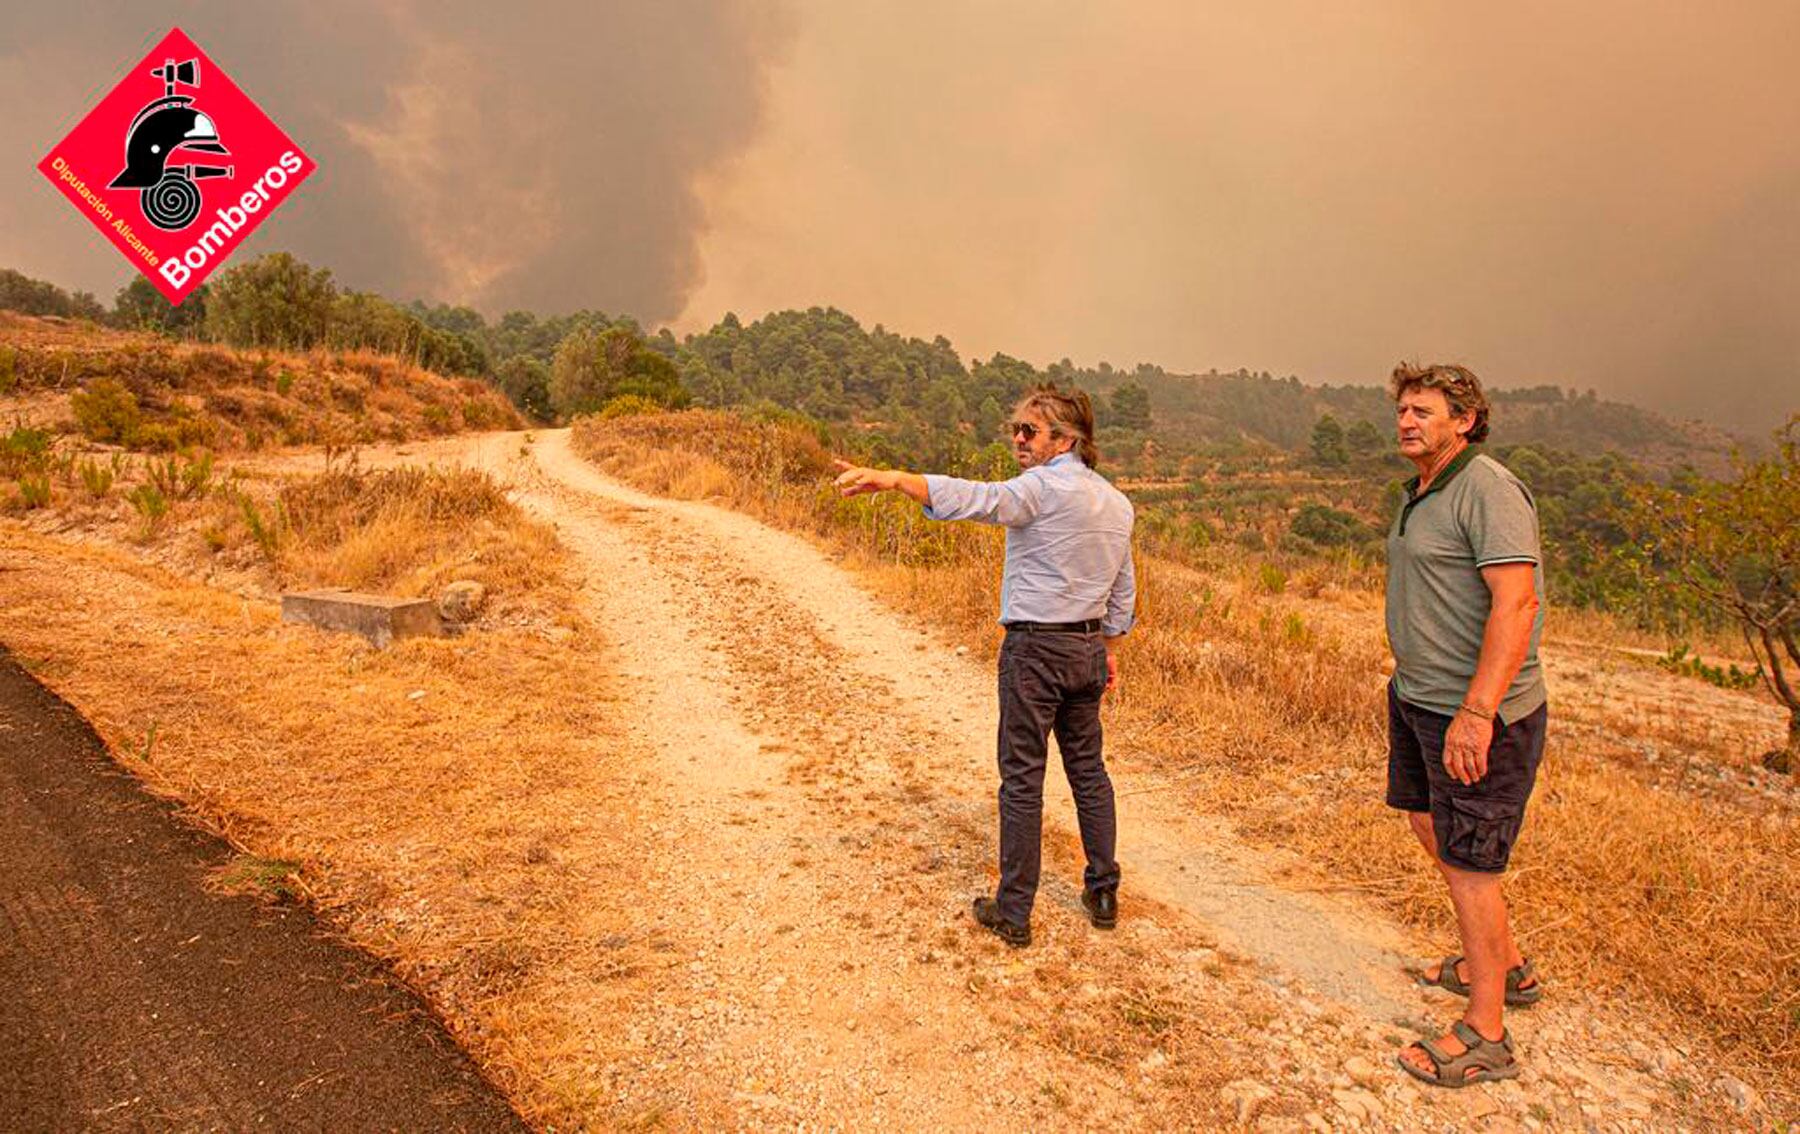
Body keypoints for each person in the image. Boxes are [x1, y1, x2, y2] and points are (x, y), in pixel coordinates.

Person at [832, 385, 1136, 948]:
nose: (1018, 439)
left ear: (1065, 440)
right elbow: (1123, 589)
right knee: (1088, 771)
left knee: (1022, 777)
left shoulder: (1039, 491)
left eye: (1030, 431)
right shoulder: (1117, 504)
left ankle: (1014, 911)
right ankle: (1103, 891)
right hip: (1088, 649)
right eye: (1015, 428)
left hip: (1035, 650)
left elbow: (977, 498)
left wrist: (897, 479)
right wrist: (1109, 651)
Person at [1382, 362, 1548, 1088]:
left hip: (1475, 714)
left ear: (1467, 420)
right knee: (1426, 823)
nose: (1407, 421)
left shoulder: (1488, 489)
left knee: (1470, 865)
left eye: (1424, 411)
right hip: (1419, 698)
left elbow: (1517, 605)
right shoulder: (1425, 490)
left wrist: (1477, 712)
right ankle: (1506, 966)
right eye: (1403, 410)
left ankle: (1485, 1033)